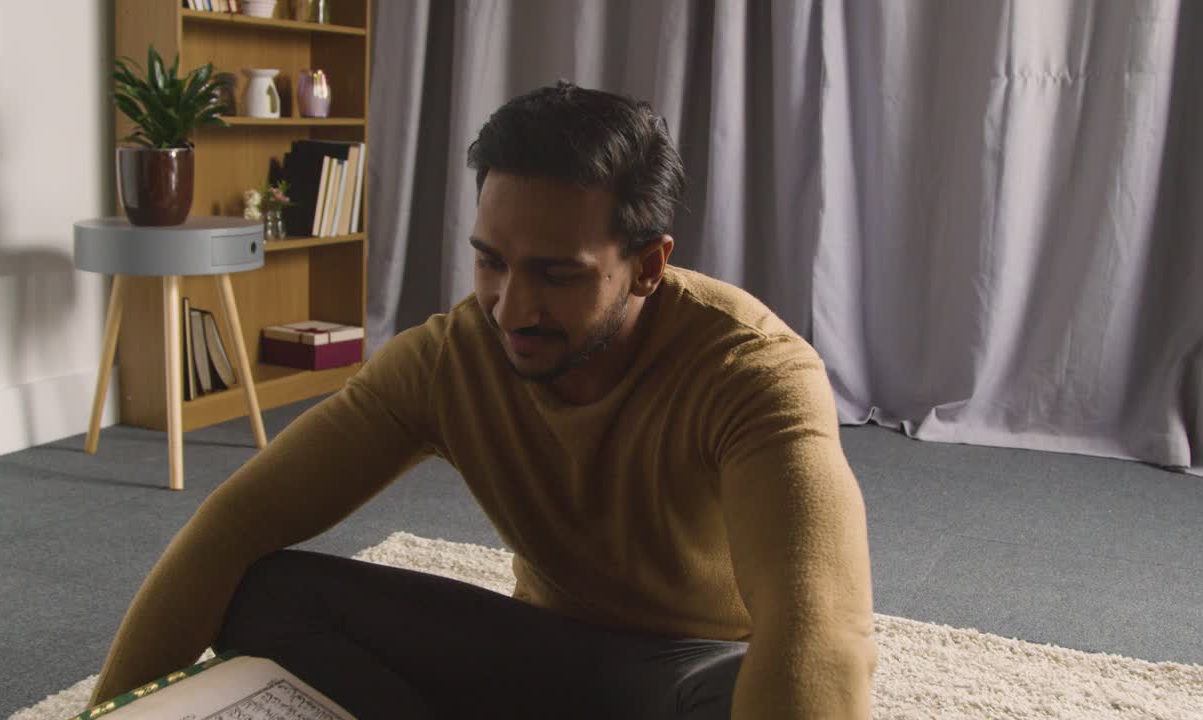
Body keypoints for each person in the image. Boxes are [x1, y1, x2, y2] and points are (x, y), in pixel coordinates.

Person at [88, 81, 877, 719]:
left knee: (749, 694)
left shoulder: (753, 371)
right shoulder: (449, 358)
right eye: (491, 262)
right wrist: (102, 713)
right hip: (539, 651)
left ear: (647, 266)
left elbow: (823, 632)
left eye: (557, 274)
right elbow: (238, 523)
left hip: (683, 672)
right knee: (266, 594)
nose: (510, 307)